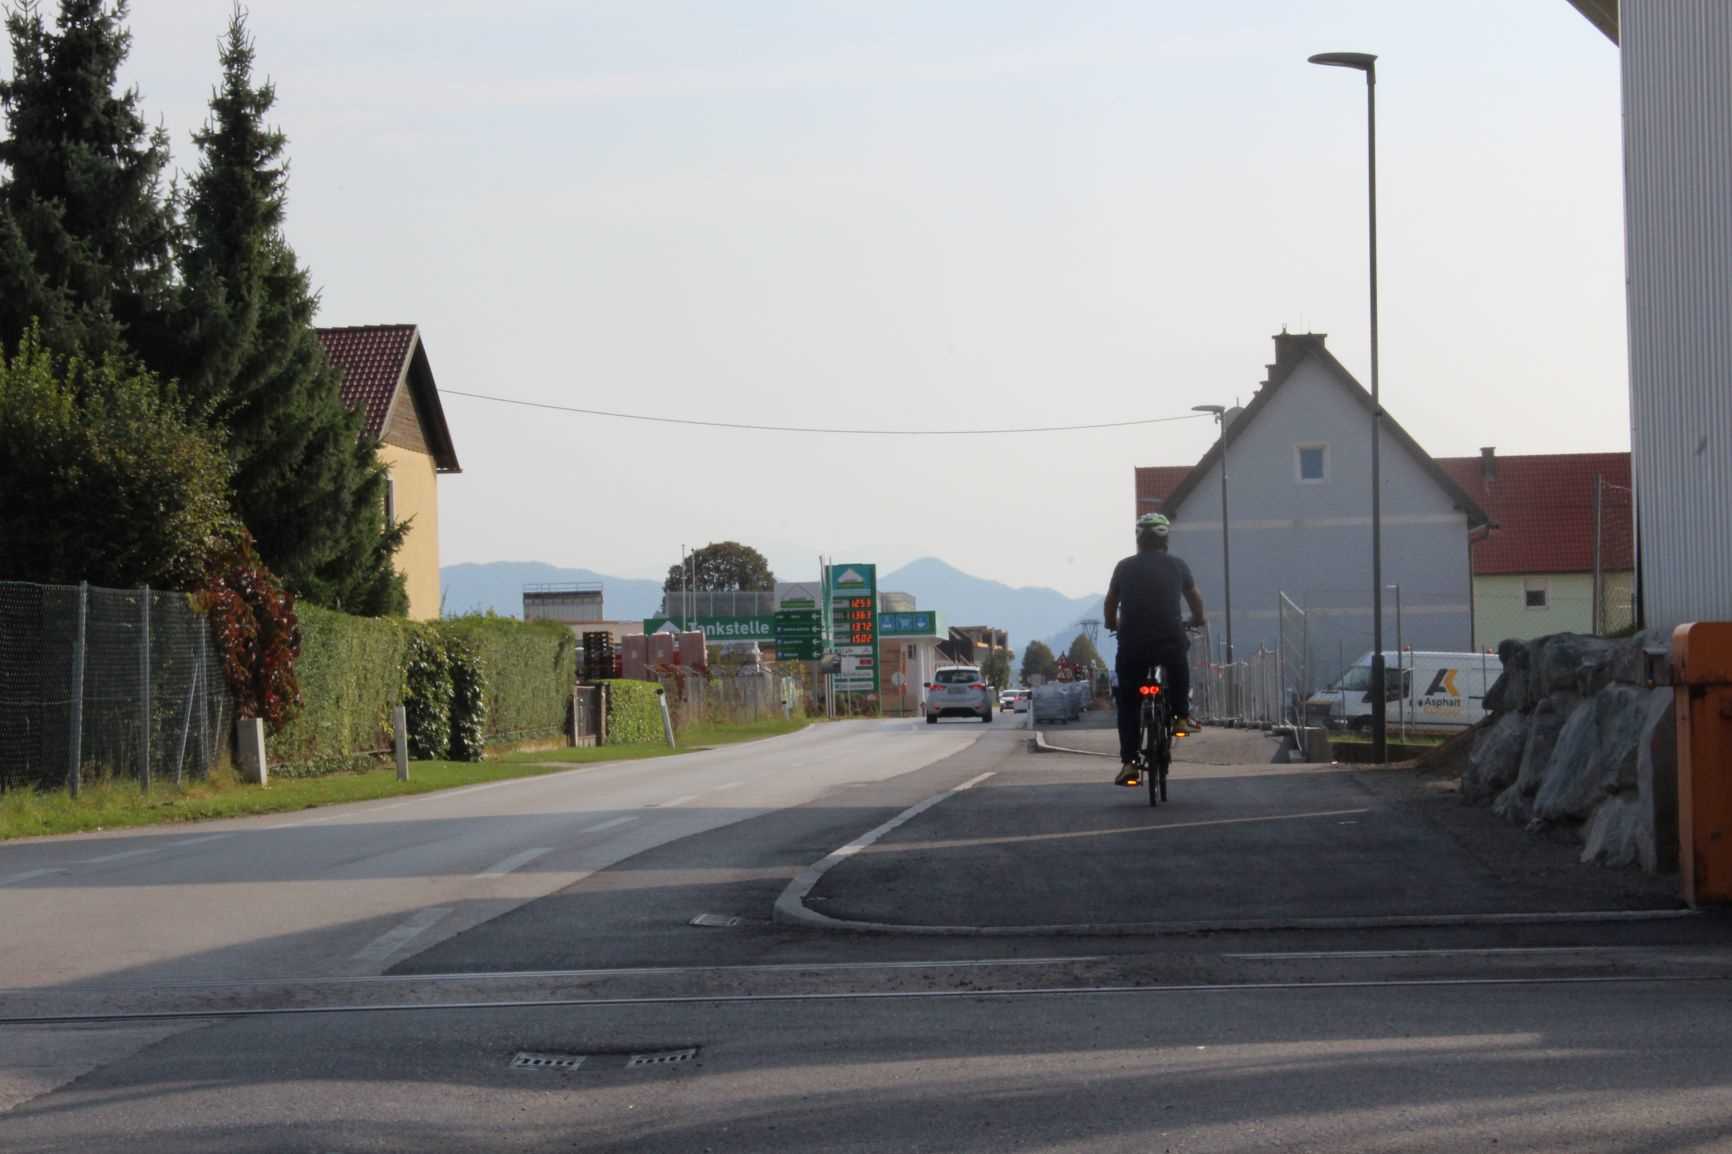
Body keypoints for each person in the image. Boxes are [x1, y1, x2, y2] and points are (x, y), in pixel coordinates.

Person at [1103, 512, 1206, 786]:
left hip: (1132, 643)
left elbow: (1111, 602)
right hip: (1169, 637)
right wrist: (1199, 619)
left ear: (1139, 539)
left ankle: (1129, 763)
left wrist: (1110, 623)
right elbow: (1194, 597)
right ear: (1165, 539)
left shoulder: (1124, 567)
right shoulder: (1178, 565)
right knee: (1177, 664)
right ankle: (1181, 717)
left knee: (1128, 702)